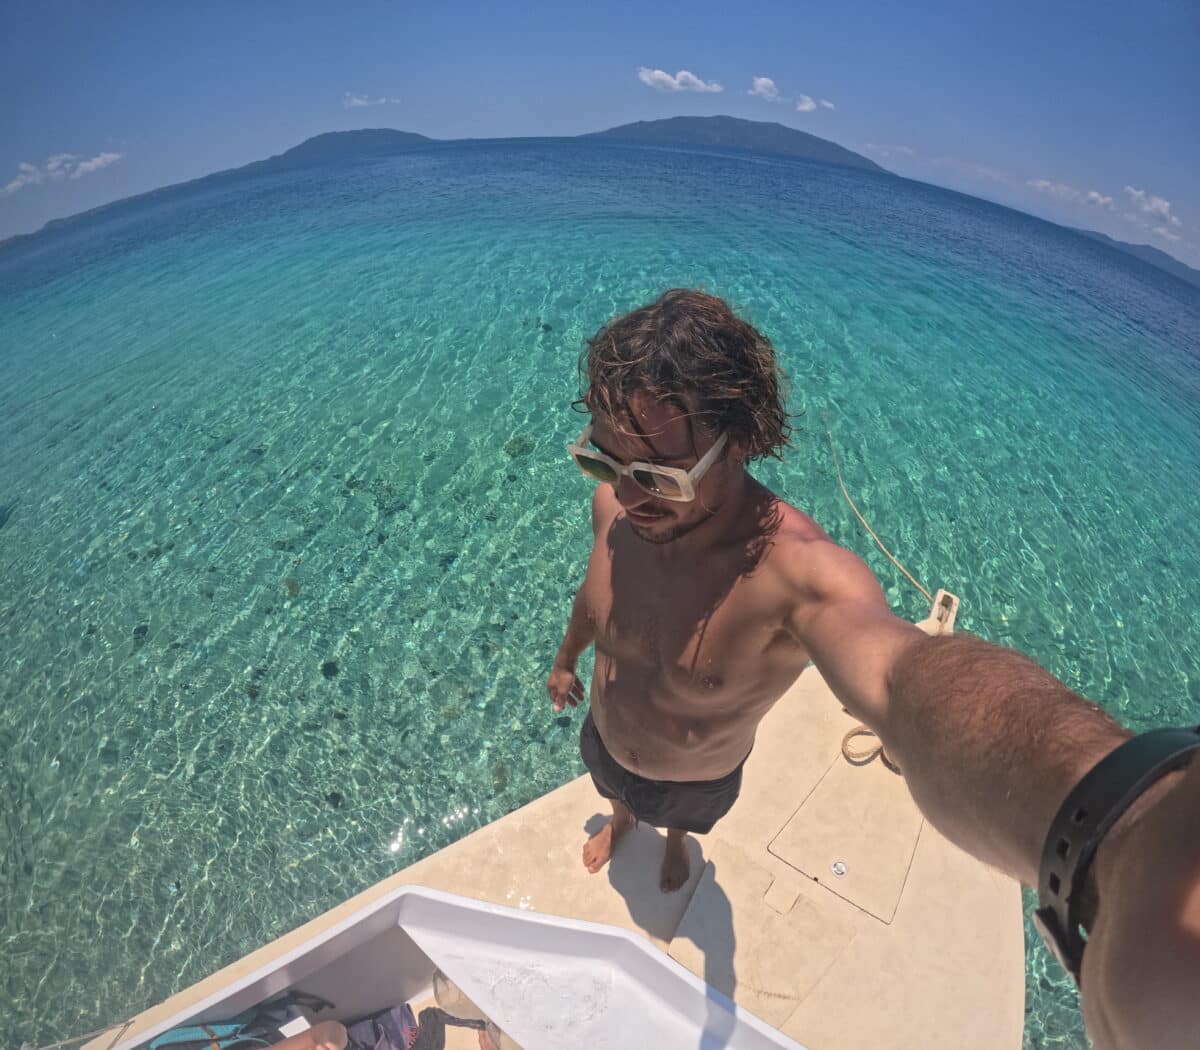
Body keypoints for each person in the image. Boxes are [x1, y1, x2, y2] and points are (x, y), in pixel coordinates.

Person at [547, 289, 1198, 1048]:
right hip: (607, 733)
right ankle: (626, 819)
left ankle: (670, 842)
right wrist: (566, 661)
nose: (625, 495)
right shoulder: (614, 510)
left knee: (677, 826)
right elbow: (596, 600)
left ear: (740, 443)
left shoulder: (802, 580)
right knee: (613, 790)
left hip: (695, 778)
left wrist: (1121, 827)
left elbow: (898, 678)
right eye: (600, 457)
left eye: (657, 478)